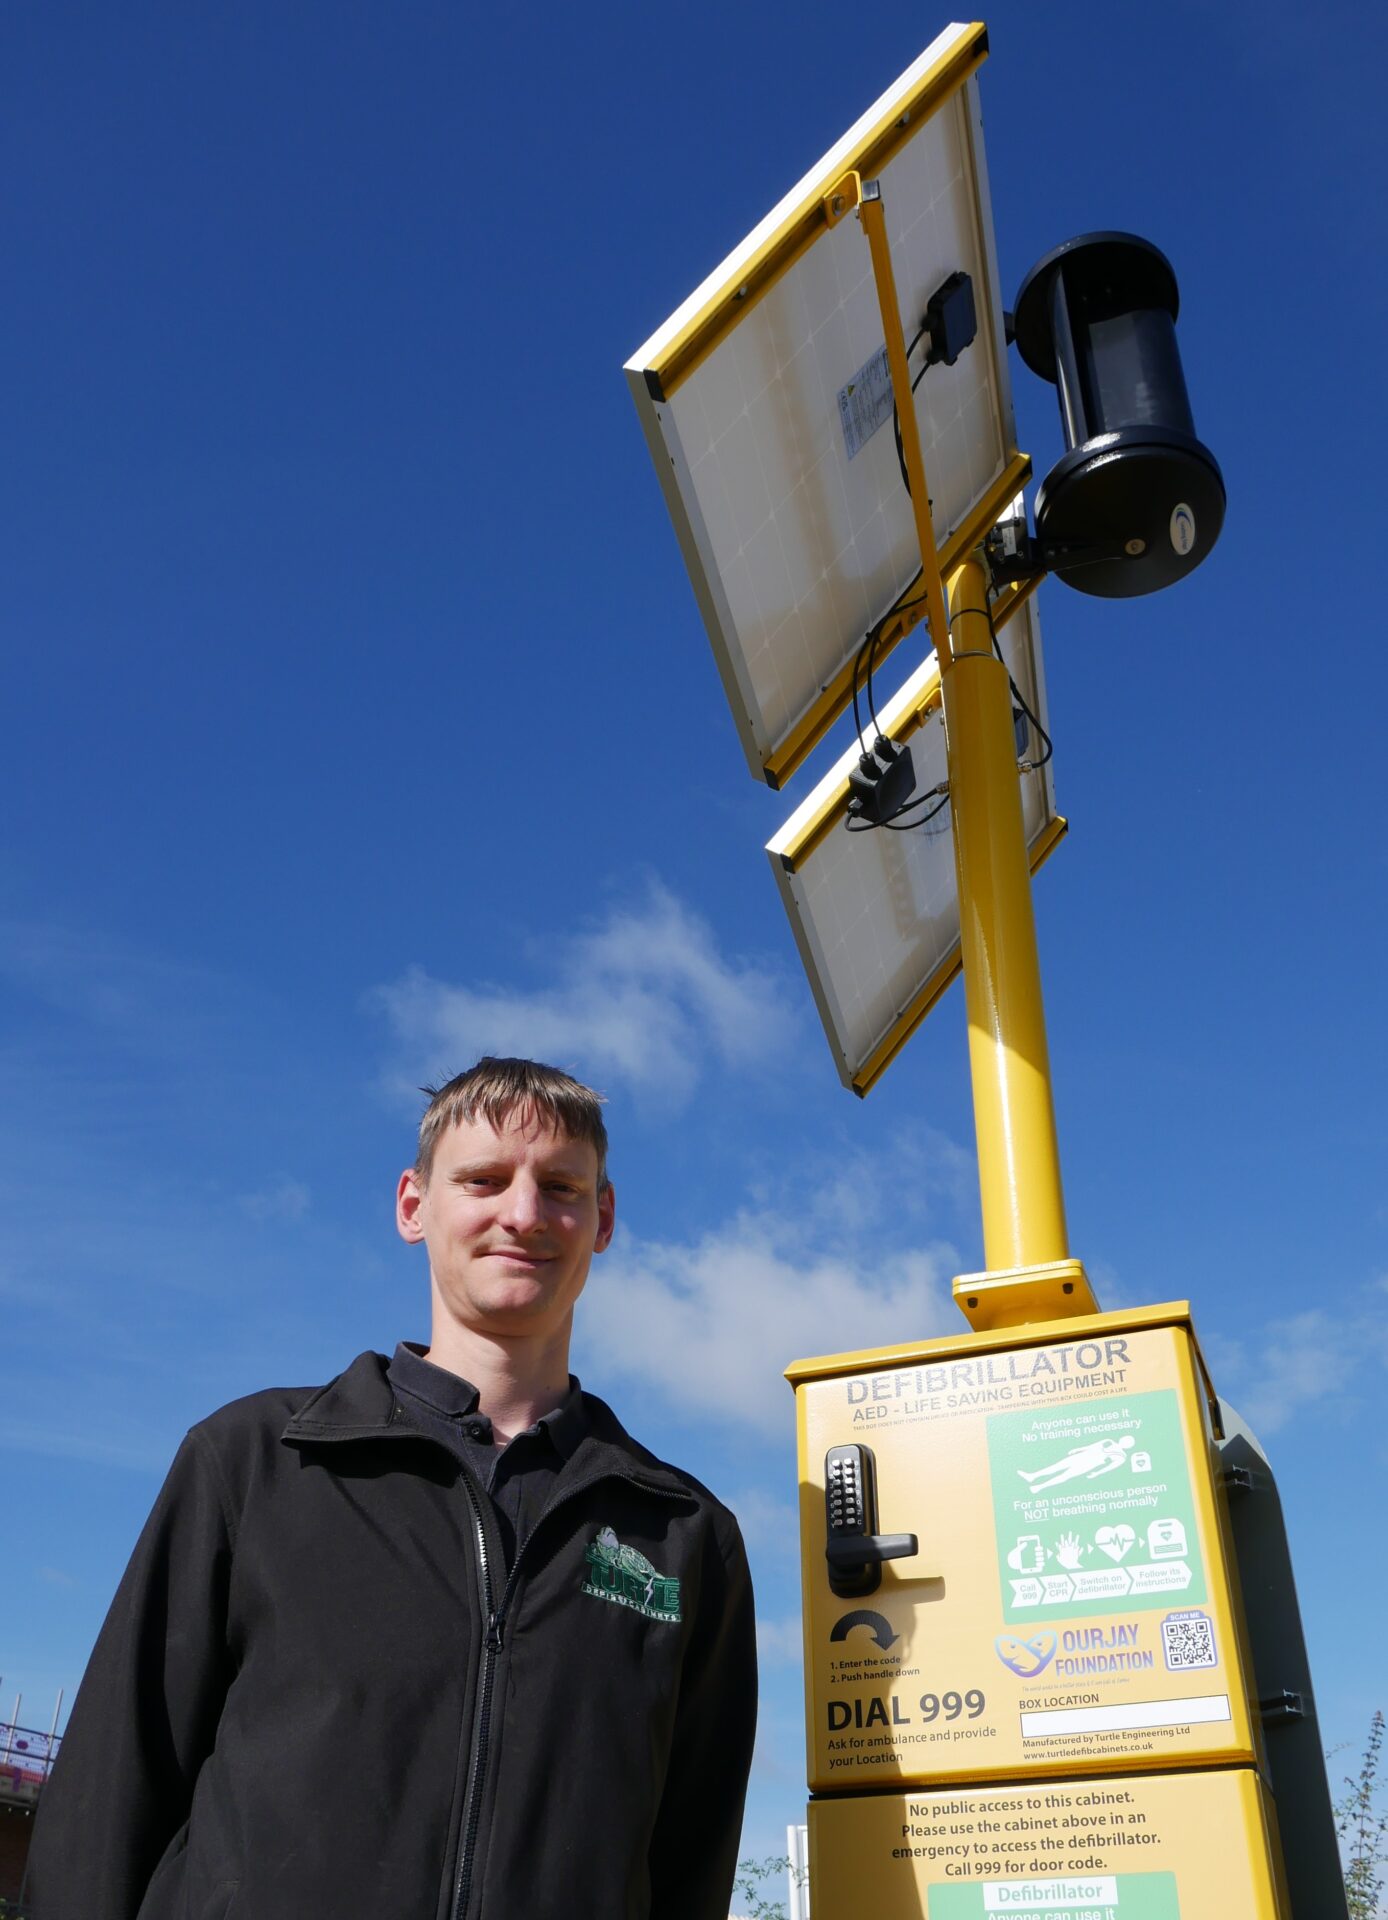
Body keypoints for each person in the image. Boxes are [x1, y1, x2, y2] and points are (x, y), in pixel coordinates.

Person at [29, 1057, 758, 1920]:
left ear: (601, 1219)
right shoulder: (256, 1461)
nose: (523, 1214)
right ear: (415, 1206)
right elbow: (107, 1803)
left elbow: (690, 1867)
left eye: (560, 1186)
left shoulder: (683, 1534)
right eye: (484, 1179)